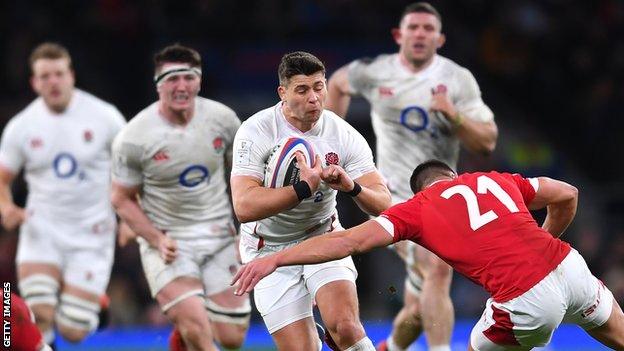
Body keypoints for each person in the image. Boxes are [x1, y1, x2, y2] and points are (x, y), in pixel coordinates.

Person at [233, 160, 624, 351]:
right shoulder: (496, 179)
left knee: (478, 345)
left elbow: (347, 242)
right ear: (454, 175)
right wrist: (542, 241)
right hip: (570, 267)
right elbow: (567, 193)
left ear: (420, 190)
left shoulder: (417, 208)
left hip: (525, 299)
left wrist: (277, 258)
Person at [326, 3, 498, 351]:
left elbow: (488, 142)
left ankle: (390, 347)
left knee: (419, 308)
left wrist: (455, 117)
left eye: (428, 28)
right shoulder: (377, 71)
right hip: (389, 197)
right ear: (398, 35)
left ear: (440, 38)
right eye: (414, 27)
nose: (420, 33)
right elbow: (339, 83)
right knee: (437, 266)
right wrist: (330, 141)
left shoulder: (457, 79)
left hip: (440, 200)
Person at [230, 51, 392, 351]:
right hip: (268, 248)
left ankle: (333, 330)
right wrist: (303, 188)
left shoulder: (343, 134)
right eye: (302, 90)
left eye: (319, 87)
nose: (314, 98)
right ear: (283, 93)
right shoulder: (256, 131)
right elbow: (244, 207)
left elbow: (384, 204)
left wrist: (351, 186)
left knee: (346, 328)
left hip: (322, 235)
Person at [110, 44, 250, 351]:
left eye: (188, 77)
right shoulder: (134, 136)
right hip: (168, 242)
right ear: (158, 84)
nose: (181, 86)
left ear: (199, 81)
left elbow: (245, 178)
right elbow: (121, 198)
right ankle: (188, 329)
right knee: (199, 333)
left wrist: (247, 232)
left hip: (218, 235)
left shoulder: (224, 121)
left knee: (232, 337)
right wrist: (155, 238)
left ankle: (180, 339)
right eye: (172, 79)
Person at [0, 42, 127, 346]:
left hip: (92, 232)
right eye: (44, 76)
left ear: (71, 75)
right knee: (38, 312)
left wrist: (130, 217)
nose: (52, 82)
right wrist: (6, 207)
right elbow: (2, 178)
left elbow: (132, 170)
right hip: (41, 229)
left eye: (58, 74)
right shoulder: (21, 126)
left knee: (73, 330)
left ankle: (95, 305)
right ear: (34, 82)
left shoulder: (105, 117)